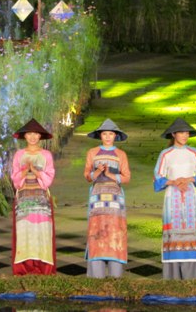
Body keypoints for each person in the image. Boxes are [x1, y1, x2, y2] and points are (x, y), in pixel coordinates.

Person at [154, 118, 196, 279]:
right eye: (181, 133)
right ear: (173, 134)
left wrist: (188, 179)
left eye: (187, 133)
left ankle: (194, 275)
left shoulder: (194, 152)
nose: (185, 136)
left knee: (192, 231)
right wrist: (174, 182)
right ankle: (172, 275)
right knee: (173, 232)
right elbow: (157, 178)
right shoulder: (166, 154)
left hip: (190, 196)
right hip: (173, 196)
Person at [84, 118, 131, 278]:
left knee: (116, 230)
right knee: (96, 229)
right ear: (100, 135)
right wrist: (97, 172)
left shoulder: (121, 154)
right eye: (105, 134)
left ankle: (115, 272)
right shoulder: (92, 153)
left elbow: (127, 177)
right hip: (97, 196)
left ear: (115, 135)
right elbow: (87, 176)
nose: (108, 137)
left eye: (111, 134)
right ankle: (96, 272)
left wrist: (111, 175)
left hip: (115, 198)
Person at [11, 118, 56, 275]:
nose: (32, 137)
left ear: (40, 136)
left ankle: (43, 266)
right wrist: (25, 171)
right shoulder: (19, 154)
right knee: (24, 229)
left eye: (35, 134)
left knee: (42, 230)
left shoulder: (46, 155)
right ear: (25, 136)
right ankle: (24, 266)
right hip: (24, 198)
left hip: (41, 198)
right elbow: (15, 177)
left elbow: (49, 177)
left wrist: (36, 171)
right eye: (29, 134)